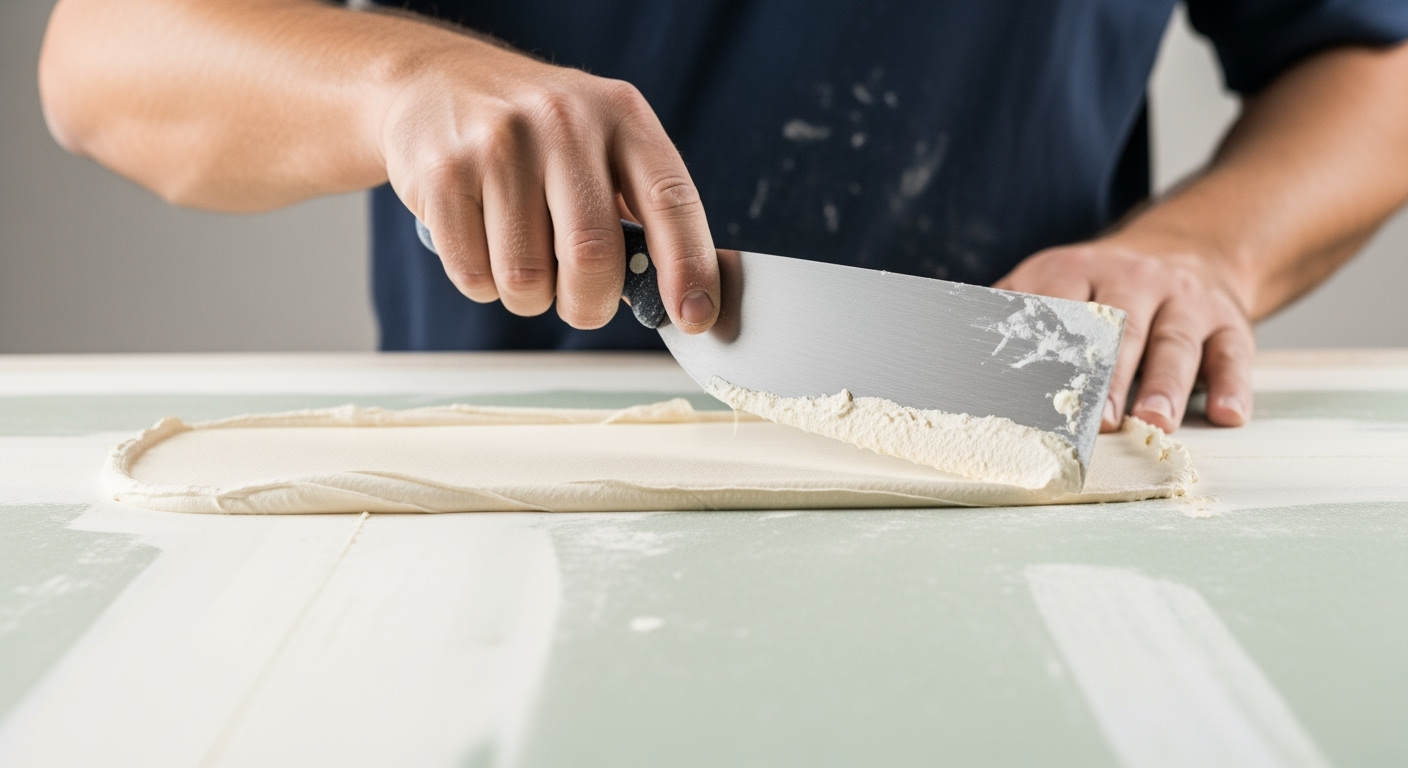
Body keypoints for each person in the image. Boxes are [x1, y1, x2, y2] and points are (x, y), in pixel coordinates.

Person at [37, 0, 1408, 433]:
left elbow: (1375, 56)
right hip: (515, 487)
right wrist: (405, 82)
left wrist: (1201, 247)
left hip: (1036, 443)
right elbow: (104, 50)